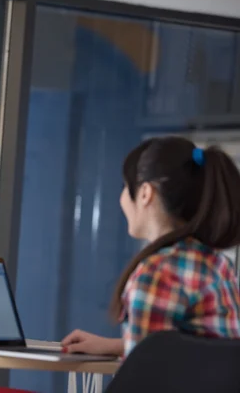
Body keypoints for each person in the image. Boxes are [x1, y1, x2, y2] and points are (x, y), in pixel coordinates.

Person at [61, 136, 240, 358]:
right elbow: (197, 351)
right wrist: (117, 346)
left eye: (126, 187)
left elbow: (146, 378)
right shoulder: (218, 264)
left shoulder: (157, 274)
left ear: (145, 193)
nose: (122, 199)